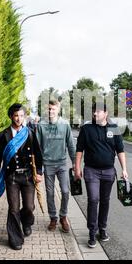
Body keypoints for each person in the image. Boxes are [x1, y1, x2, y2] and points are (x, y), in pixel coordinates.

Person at [74, 102, 129, 248]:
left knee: (105, 200)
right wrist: (77, 168)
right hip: (91, 171)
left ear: (106, 114)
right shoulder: (86, 129)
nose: (95, 114)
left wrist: (124, 169)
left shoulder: (114, 129)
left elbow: (120, 150)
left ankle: (102, 229)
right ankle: (92, 232)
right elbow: (79, 150)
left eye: (98, 111)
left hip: (109, 171)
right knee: (93, 199)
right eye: (94, 111)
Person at [0, 103, 43, 250]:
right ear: (10, 116)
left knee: (29, 207)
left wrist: (39, 172)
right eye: (16, 116)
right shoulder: (2, 136)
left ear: (24, 116)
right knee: (13, 208)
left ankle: (26, 222)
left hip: (27, 177)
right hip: (11, 177)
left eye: (21, 116)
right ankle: (15, 238)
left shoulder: (30, 133)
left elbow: (38, 155)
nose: (19, 119)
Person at [36, 99, 76, 232]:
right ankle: (53, 218)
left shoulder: (65, 124)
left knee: (65, 191)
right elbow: (38, 148)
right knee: (50, 193)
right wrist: (38, 169)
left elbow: (70, 145)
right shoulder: (41, 125)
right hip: (48, 164)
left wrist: (75, 163)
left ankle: (63, 216)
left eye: (53, 109)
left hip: (62, 164)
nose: (50, 111)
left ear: (58, 110)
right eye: (48, 109)